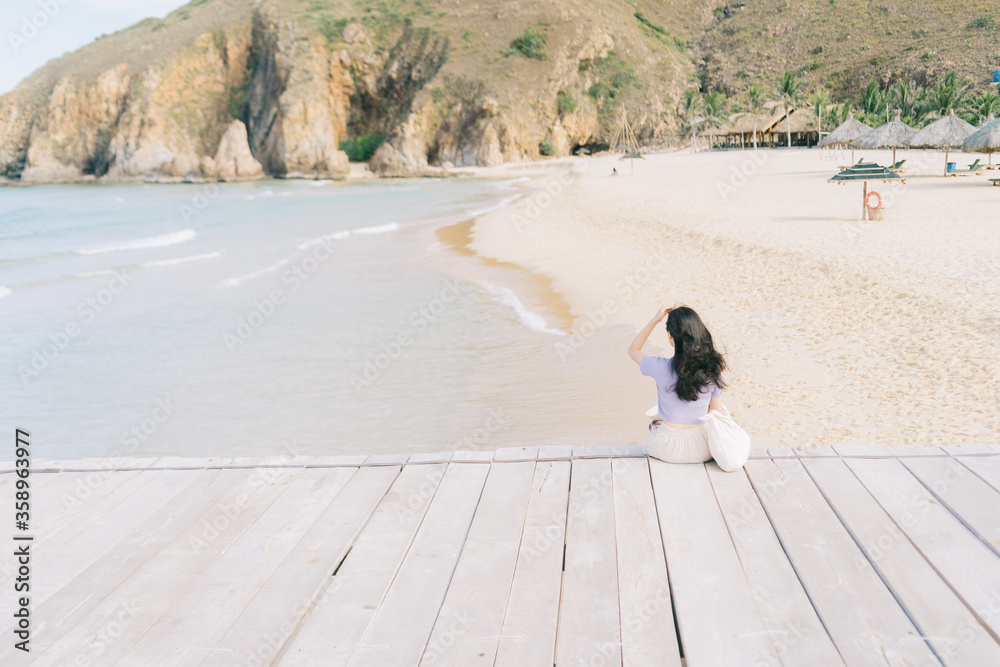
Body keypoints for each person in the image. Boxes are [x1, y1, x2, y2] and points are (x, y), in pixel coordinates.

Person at [627, 305, 727, 463]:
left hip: (664, 450)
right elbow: (715, 414)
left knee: (655, 425)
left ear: (670, 337)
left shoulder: (658, 366)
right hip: (702, 451)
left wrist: (655, 320)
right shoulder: (712, 369)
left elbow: (633, 350)